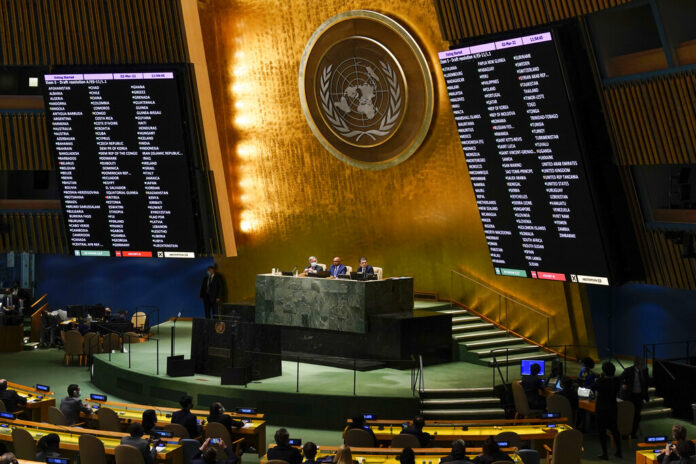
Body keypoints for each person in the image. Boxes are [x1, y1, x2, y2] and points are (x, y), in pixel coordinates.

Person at [593, 362, 622, 460]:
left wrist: (600, 377)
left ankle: (605, 453)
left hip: (601, 409)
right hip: (613, 408)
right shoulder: (617, 381)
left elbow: (593, 387)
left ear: (604, 371)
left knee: (602, 431)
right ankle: (619, 451)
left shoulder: (600, 381)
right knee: (615, 429)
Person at [619, 356, 649, 437]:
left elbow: (646, 383)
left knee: (637, 416)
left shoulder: (644, 371)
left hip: (639, 396)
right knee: (628, 415)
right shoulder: (629, 370)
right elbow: (620, 379)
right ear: (637, 364)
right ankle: (625, 433)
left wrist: (646, 396)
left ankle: (633, 433)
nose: (643, 365)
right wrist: (623, 384)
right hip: (630, 396)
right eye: (642, 363)